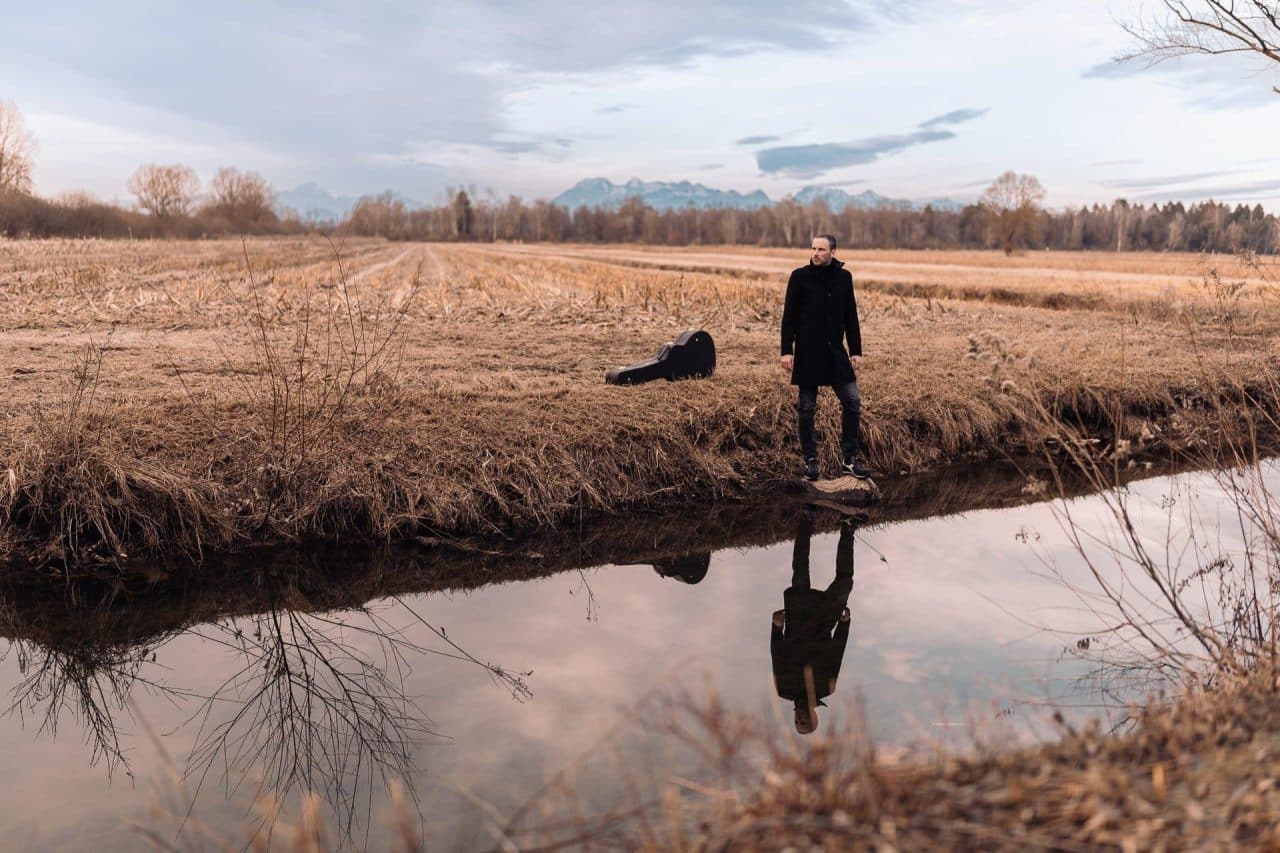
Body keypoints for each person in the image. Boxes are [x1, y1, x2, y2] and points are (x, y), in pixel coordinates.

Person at [780, 234, 870, 481]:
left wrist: (856, 351)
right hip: (808, 352)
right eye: (813, 248)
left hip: (835, 352)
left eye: (821, 249)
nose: (816, 253)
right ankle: (811, 462)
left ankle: (849, 460)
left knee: (852, 401)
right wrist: (786, 350)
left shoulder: (844, 277)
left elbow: (851, 316)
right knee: (807, 408)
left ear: (833, 251)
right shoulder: (799, 277)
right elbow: (788, 317)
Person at [771, 508, 856, 734]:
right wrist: (844, 624)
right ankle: (848, 526)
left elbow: (777, 655)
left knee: (800, 570)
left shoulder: (784, 689)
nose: (800, 719)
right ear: (814, 717)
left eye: (798, 723)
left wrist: (776, 628)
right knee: (845, 582)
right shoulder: (827, 688)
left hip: (797, 621)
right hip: (823, 623)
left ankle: (806, 519)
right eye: (806, 722)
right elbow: (838, 651)